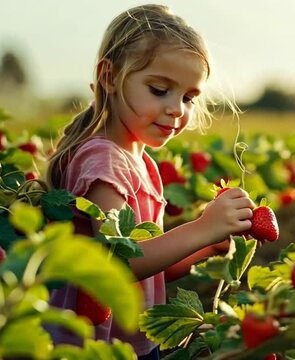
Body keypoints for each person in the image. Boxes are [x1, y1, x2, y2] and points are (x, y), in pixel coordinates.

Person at [46, 5, 255, 359]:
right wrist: (202, 227)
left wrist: (208, 245)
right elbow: (120, 261)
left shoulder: (141, 161)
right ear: (109, 77)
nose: (177, 108)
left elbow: (152, 268)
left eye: (189, 97)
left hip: (132, 338)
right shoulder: (103, 159)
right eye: (160, 90)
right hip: (92, 344)